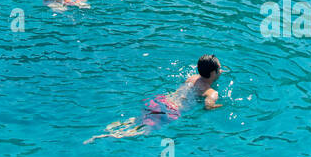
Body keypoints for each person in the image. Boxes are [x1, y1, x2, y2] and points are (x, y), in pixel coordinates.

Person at [85, 55, 223, 143]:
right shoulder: (210, 92)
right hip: (170, 111)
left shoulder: (192, 77)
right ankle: (106, 137)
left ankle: (110, 129)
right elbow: (208, 106)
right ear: (213, 73)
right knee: (144, 130)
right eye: (219, 69)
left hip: (160, 100)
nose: (221, 71)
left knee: (139, 119)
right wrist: (220, 106)